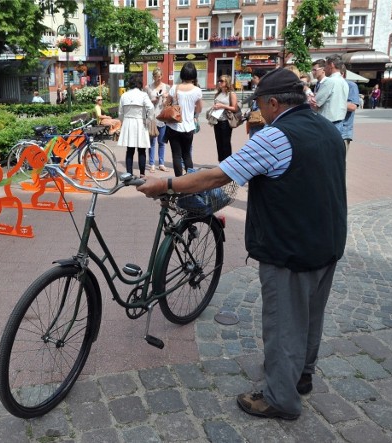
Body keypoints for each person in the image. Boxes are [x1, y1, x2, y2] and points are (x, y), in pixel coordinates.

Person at [137, 68, 347, 421]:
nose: (257, 113)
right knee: (311, 315)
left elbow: (218, 175)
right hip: (327, 240)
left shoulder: (276, 136)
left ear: (275, 103)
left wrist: (165, 185)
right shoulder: (327, 128)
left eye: (260, 105)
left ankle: (280, 398)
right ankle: (302, 376)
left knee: (283, 322)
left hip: (289, 245)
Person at [164, 62, 203, 177]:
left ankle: (178, 181)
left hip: (174, 126)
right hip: (188, 127)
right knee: (187, 155)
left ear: (181, 74)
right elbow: (199, 109)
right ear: (194, 75)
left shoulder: (174, 88)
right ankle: (189, 180)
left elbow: (166, 105)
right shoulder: (197, 90)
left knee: (176, 155)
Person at [118, 75, 154, 178]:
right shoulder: (143, 95)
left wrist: (123, 121)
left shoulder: (124, 95)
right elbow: (151, 108)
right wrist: (148, 119)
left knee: (130, 150)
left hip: (128, 122)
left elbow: (120, 113)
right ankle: (142, 174)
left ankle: (129, 173)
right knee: (141, 150)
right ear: (140, 84)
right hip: (140, 122)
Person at [310, 55, 349, 136]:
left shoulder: (329, 81)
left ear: (331, 65)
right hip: (339, 121)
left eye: (326, 66)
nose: (324, 69)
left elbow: (315, 103)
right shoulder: (344, 82)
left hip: (328, 122)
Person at [209, 75, 239, 162]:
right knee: (219, 142)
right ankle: (221, 162)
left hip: (226, 121)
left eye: (221, 81)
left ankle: (228, 162)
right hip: (217, 120)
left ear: (227, 82)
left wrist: (223, 106)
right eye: (219, 81)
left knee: (226, 142)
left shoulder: (231, 94)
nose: (219, 82)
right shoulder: (218, 93)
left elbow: (235, 108)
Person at [146, 68, 169, 173]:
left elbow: (168, 103)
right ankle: (151, 164)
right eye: (155, 76)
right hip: (152, 117)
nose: (157, 78)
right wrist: (152, 100)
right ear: (153, 77)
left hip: (162, 116)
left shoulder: (166, 87)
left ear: (161, 76)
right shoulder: (148, 87)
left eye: (159, 76)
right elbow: (145, 102)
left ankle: (161, 163)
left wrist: (164, 99)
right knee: (152, 142)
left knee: (161, 142)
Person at [340, 65, 360, 154]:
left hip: (343, 131)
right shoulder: (324, 84)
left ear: (342, 74)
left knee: (340, 162)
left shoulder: (351, 85)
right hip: (328, 130)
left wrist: (333, 101)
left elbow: (353, 107)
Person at [245, 70, 266, 138]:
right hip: (254, 121)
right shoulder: (258, 89)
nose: (252, 79)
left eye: (254, 77)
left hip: (260, 121)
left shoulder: (264, 90)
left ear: (261, 78)